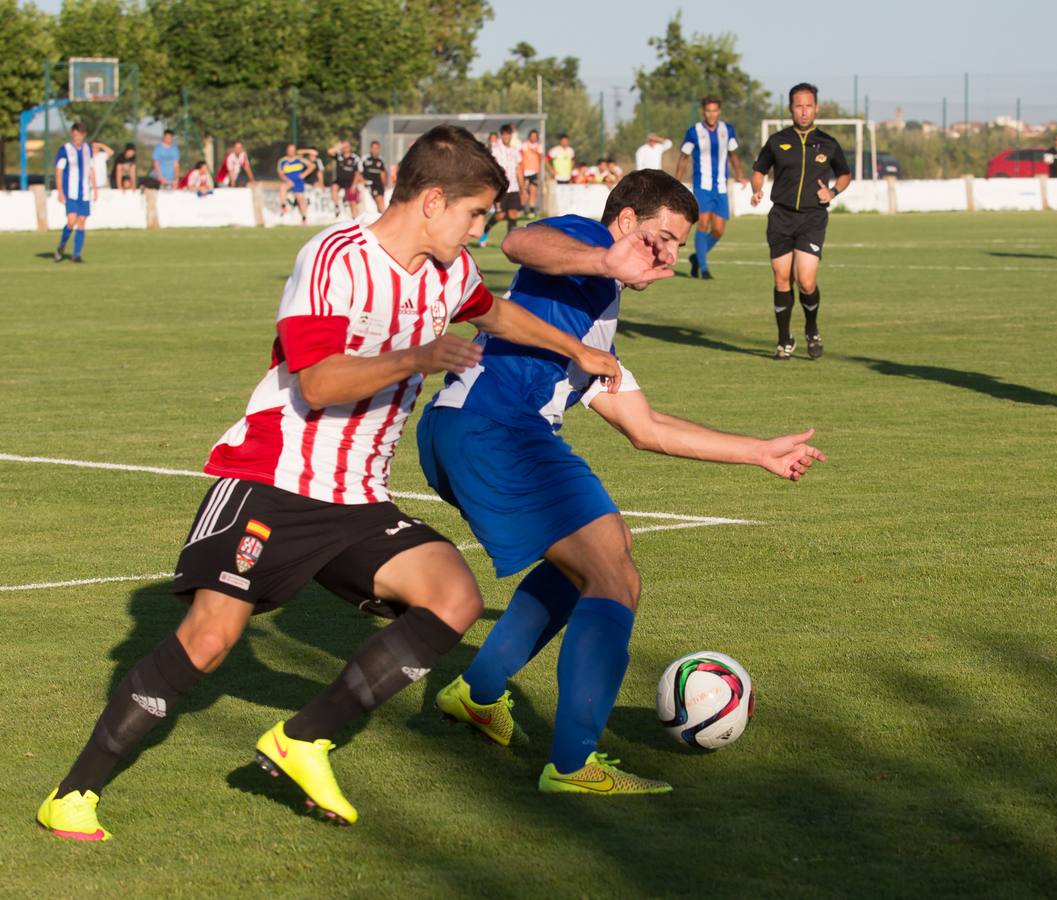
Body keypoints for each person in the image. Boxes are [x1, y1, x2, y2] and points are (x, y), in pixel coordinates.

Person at [34, 124, 626, 844]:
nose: (479, 229)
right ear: (433, 200)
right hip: (272, 478)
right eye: (474, 213)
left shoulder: (448, 271)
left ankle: (302, 740)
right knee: (211, 639)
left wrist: (575, 350)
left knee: (453, 595)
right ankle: (73, 793)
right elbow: (316, 381)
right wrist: (418, 355)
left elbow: (495, 311)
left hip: (356, 496)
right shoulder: (334, 258)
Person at [420, 168, 824, 795]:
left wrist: (758, 452)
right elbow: (519, 245)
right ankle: (574, 763)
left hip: (468, 431)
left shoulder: (600, 314)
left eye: (678, 245)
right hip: (493, 428)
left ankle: (476, 693)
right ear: (628, 221)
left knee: (587, 561)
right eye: (662, 237)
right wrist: (606, 258)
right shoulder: (584, 241)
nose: (668, 254)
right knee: (614, 573)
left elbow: (647, 427)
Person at [750, 82, 852, 361]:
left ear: (816, 108)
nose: (804, 111)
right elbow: (759, 169)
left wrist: (832, 191)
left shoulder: (829, 143)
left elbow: (844, 174)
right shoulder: (777, 140)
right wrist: (756, 188)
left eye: (808, 106)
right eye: (798, 106)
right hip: (781, 216)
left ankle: (812, 329)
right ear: (790, 109)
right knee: (782, 279)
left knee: (805, 281)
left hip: (812, 217)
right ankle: (784, 340)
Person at [675, 96, 745, 279]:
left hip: (721, 186)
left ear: (719, 111)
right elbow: (684, 158)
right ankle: (704, 269)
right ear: (703, 112)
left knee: (719, 230)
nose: (711, 114)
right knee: (703, 224)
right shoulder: (694, 132)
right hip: (702, 185)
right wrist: (676, 181)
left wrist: (740, 174)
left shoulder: (727, 130)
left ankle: (697, 257)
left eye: (714, 110)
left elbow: (733, 154)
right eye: (708, 111)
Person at [52, 122, 96, 264]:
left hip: (84, 192)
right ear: (72, 134)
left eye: (80, 135)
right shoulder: (65, 149)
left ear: (84, 135)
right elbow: (58, 171)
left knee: (82, 221)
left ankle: (76, 255)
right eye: (75, 135)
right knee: (71, 221)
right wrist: (60, 191)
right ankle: (62, 245)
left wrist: (95, 188)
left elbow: (90, 169)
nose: (77, 137)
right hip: (70, 193)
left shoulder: (88, 149)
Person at [481, 123, 525, 247]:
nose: (507, 137)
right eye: (504, 134)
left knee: (513, 213)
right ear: (501, 135)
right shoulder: (495, 150)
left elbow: (518, 170)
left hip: (514, 187)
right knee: (500, 215)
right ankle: (484, 233)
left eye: (509, 134)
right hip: (501, 188)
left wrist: (522, 188)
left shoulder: (514, 151)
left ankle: (511, 242)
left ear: (511, 135)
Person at [277, 143, 311, 224]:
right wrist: (287, 180)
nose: (291, 152)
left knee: (300, 199)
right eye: (290, 150)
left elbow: (312, 166)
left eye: (293, 150)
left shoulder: (299, 160)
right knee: (282, 187)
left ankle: (304, 218)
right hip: (289, 181)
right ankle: (283, 206)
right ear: (287, 151)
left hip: (298, 182)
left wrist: (304, 174)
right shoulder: (283, 161)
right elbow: (280, 173)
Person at [332, 140, 361, 216]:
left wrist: (354, 185)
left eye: (347, 146)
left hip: (350, 182)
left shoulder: (355, 158)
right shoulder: (339, 156)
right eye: (344, 147)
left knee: (352, 202)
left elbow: (357, 172)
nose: (345, 148)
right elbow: (330, 151)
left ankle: (356, 220)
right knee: (334, 187)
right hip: (340, 181)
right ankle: (337, 206)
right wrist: (339, 145)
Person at [361, 140, 390, 214]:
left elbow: (383, 173)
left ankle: (381, 216)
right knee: (379, 199)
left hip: (379, 184)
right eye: (373, 148)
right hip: (370, 184)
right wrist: (363, 181)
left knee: (380, 200)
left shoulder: (381, 160)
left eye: (377, 148)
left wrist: (384, 184)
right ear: (370, 148)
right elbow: (359, 172)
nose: (375, 150)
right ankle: (383, 216)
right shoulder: (365, 159)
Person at [519, 127, 543, 214]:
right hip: (525, 172)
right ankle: (522, 208)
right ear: (529, 136)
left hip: (534, 172)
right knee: (524, 191)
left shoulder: (539, 146)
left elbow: (541, 158)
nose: (533, 138)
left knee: (533, 191)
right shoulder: (524, 145)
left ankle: (531, 209)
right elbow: (520, 157)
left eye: (535, 136)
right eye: (532, 136)